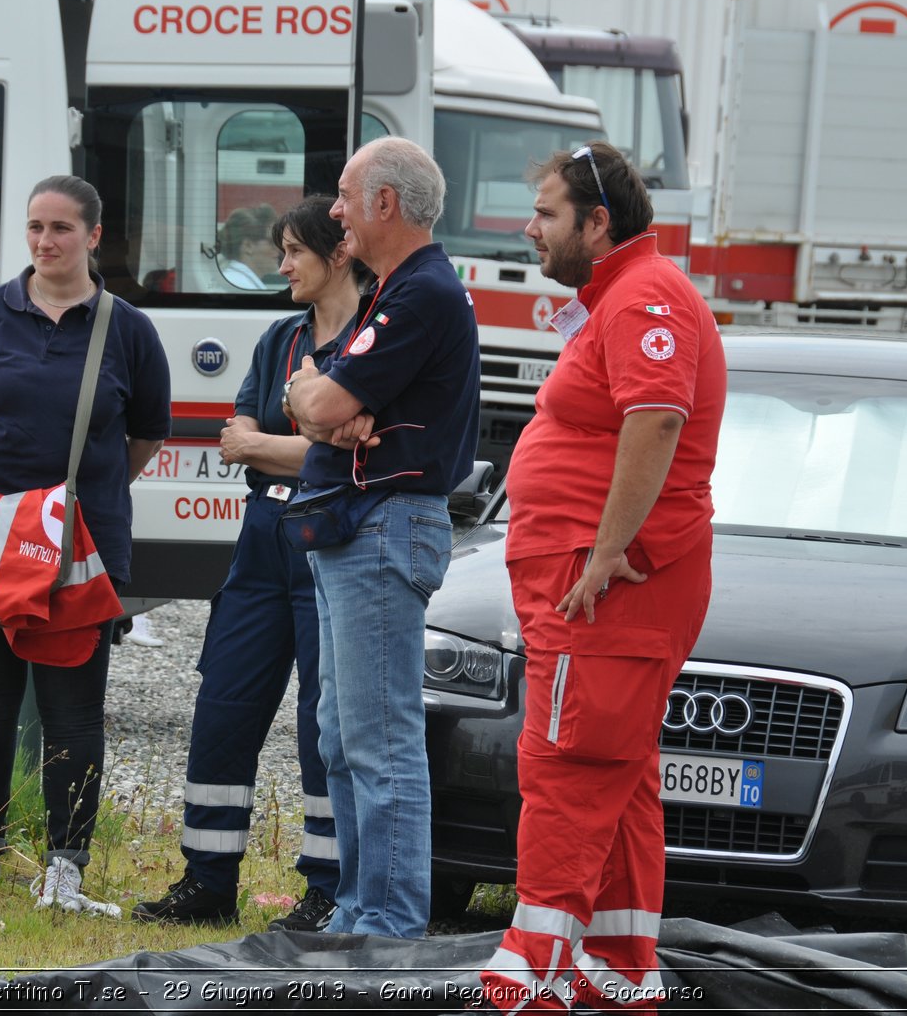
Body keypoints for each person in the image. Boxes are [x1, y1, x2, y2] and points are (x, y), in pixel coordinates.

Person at [477, 142, 726, 1012]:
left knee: (568, 766)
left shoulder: (645, 294)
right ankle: (619, 969)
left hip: (608, 589)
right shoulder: (621, 295)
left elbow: (656, 420)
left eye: (545, 213)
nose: (530, 229)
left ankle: (528, 977)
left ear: (596, 221)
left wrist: (610, 547)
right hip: (596, 585)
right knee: (618, 781)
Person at [0, 174, 170, 912]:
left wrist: (77, 498)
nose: (44, 241)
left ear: (94, 236)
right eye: (35, 227)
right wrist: (19, 501)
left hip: (79, 546)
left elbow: (146, 434)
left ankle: (66, 864)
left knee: (72, 710)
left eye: (60, 228)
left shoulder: (127, 329)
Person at [131, 196, 368, 931]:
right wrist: (305, 448)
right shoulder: (280, 339)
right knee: (222, 705)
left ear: (338, 256)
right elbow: (236, 438)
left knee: (319, 726)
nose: (283, 264)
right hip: (261, 539)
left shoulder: (369, 341)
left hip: (330, 540)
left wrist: (292, 448)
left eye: (295, 250)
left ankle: (326, 887)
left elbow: (359, 454)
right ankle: (207, 880)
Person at [283, 138, 480, 938]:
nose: (335, 211)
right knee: (341, 731)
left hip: (382, 526)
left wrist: (325, 403)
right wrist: (320, 399)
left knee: (379, 733)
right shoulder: (398, 291)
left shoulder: (420, 295)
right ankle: (361, 907)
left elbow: (324, 405)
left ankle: (388, 924)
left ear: (385, 205)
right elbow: (317, 397)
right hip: (357, 528)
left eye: (343, 194)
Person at [216, 204, 280, 289]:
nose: (278, 248)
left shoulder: (235, 281)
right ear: (248, 246)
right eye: (272, 241)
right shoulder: (240, 285)